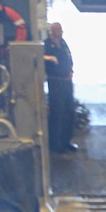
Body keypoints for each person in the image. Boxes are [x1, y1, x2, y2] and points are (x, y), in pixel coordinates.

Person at [43, 22, 77, 153]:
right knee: (57, 112)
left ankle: (67, 140)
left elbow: (69, 58)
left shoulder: (63, 43)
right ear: (52, 31)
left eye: (61, 30)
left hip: (66, 81)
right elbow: (39, 57)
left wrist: (71, 70)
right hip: (55, 81)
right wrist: (49, 58)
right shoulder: (46, 44)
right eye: (58, 30)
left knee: (69, 111)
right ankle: (55, 143)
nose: (61, 32)